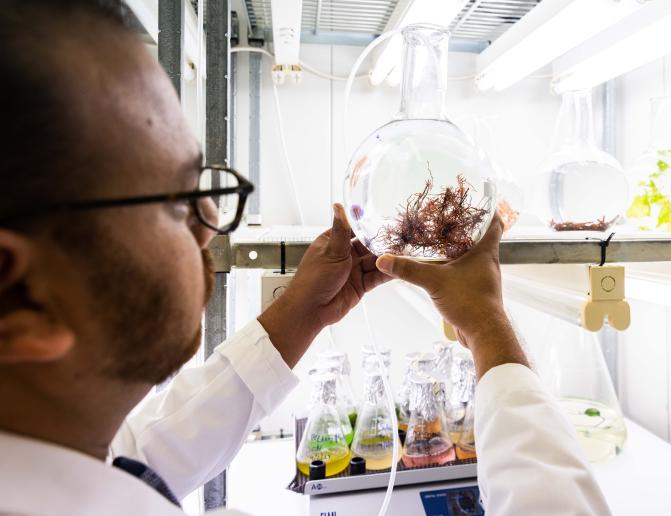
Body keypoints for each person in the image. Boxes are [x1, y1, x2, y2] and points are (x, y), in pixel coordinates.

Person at [0, 1, 610, 515]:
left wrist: (302, 314)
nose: (210, 224)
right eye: (177, 200)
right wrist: (489, 325)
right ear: (21, 296)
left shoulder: (65, 455)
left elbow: (144, 455)